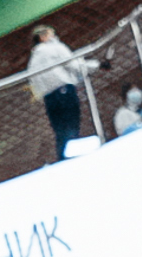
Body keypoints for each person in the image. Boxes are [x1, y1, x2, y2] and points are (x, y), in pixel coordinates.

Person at [28, 25, 97, 163]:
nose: (54, 36)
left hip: (49, 98)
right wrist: (96, 65)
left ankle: (63, 161)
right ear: (42, 37)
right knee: (72, 127)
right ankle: (76, 160)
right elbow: (74, 65)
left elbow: (34, 84)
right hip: (64, 91)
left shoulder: (33, 60)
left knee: (60, 133)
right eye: (51, 34)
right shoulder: (54, 48)